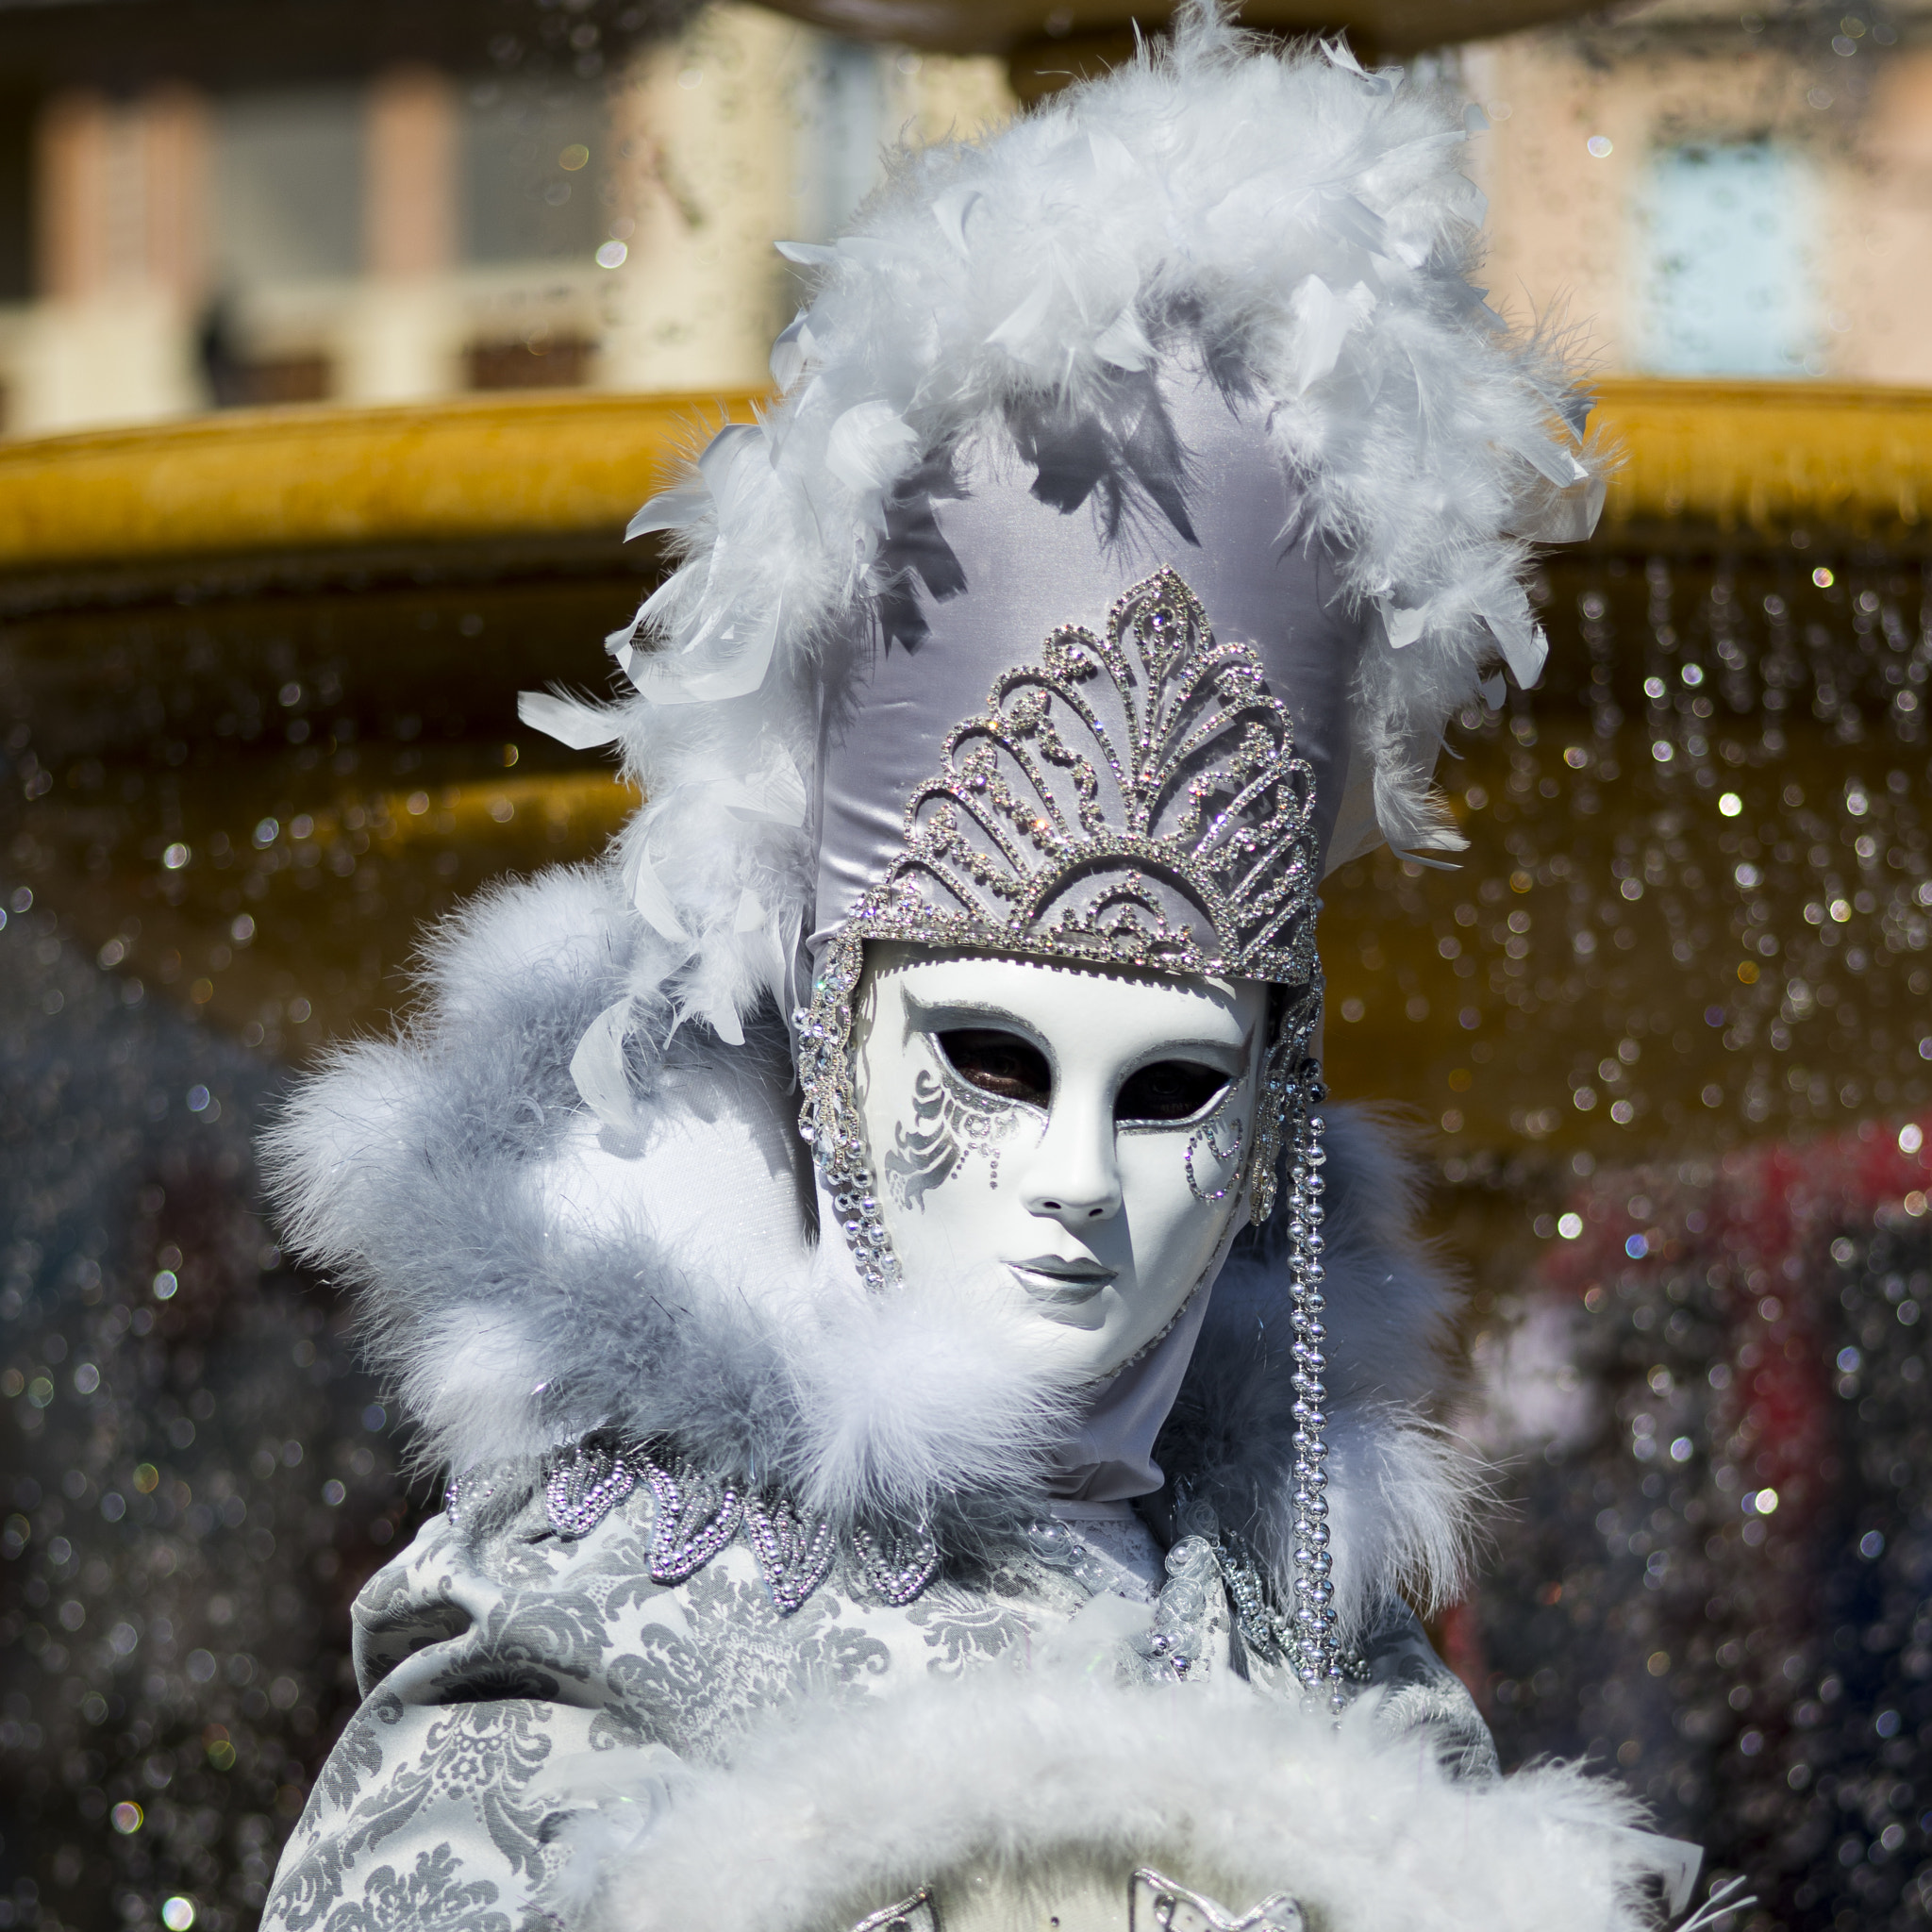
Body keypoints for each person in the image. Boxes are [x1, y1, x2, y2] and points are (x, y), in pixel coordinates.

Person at [262, 10, 1695, 1930]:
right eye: (993, 1061)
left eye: (1174, 1085)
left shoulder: (1336, 1667)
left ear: (1273, 1100)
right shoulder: (578, 1626)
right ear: (836, 1036)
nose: (1081, 1184)